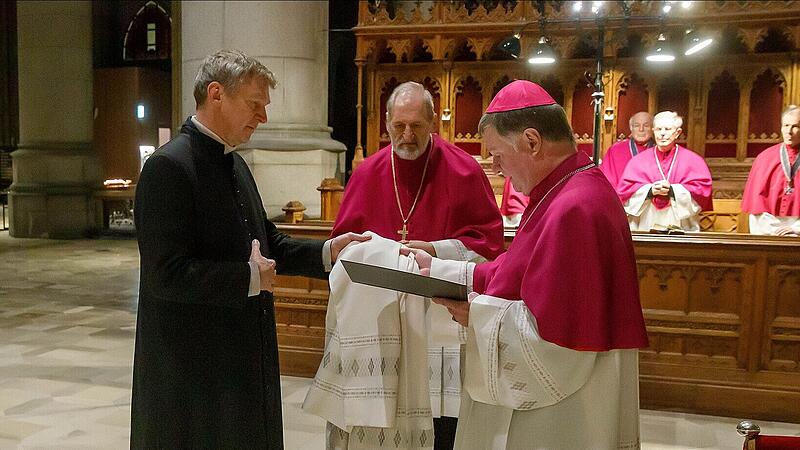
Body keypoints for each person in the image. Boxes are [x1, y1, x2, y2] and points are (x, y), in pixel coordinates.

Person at [130, 50, 369, 449]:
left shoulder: (235, 163)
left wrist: (329, 252)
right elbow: (164, 274)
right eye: (255, 104)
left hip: (240, 355)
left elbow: (267, 242)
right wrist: (248, 278)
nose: (263, 117)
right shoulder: (168, 168)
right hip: (193, 367)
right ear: (216, 93)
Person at [404, 80, 649, 449]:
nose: (496, 167)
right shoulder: (565, 188)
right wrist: (439, 268)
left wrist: (478, 315)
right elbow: (517, 271)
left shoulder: (576, 207)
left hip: (567, 413)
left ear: (532, 142)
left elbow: (555, 345)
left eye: (498, 154)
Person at [329, 81, 504, 449]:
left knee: (441, 420)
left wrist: (437, 251)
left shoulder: (464, 170)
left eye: (417, 126)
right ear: (387, 123)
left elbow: (489, 244)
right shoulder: (366, 173)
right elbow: (342, 248)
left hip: (441, 317)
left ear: (432, 124)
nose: (407, 135)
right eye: (399, 126)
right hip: (380, 321)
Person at [617, 111, 713, 231]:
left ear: (677, 133)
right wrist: (649, 191)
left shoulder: (693, 160)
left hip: (681, 221)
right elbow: (624, 192)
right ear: (653, 131)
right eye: (658, 129)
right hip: (647, 220)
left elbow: (702, 192)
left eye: (667, 129)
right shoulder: (638, 161)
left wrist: (673, 190)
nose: (662, 134)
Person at [741, 105, 800, 236]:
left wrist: (796, 229)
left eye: (795, 126)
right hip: (769, 230)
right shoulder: (764, 158)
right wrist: (773, 231)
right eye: (786, 125)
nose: (789, 131)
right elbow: (756, 205)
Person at [600, 111, 654, 189]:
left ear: (652, 128)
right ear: (631, 128)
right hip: (621, 198)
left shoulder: (659, 150)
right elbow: (606, 180)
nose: (641, 129)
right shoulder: (615, 150)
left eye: (646, 125)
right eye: (636, 125)